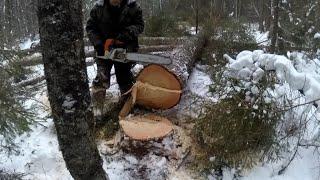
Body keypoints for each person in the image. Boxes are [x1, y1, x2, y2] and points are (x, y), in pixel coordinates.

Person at [86, 0, 144, 97]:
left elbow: (140, 26)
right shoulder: (98, 8)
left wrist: (125, 34)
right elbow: (90, 28)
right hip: (104, 50)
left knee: (125, 80)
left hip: (125, 50)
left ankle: (128, 106)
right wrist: (98, 43)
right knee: (101, 79)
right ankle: (98, 107)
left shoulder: (133, 7)